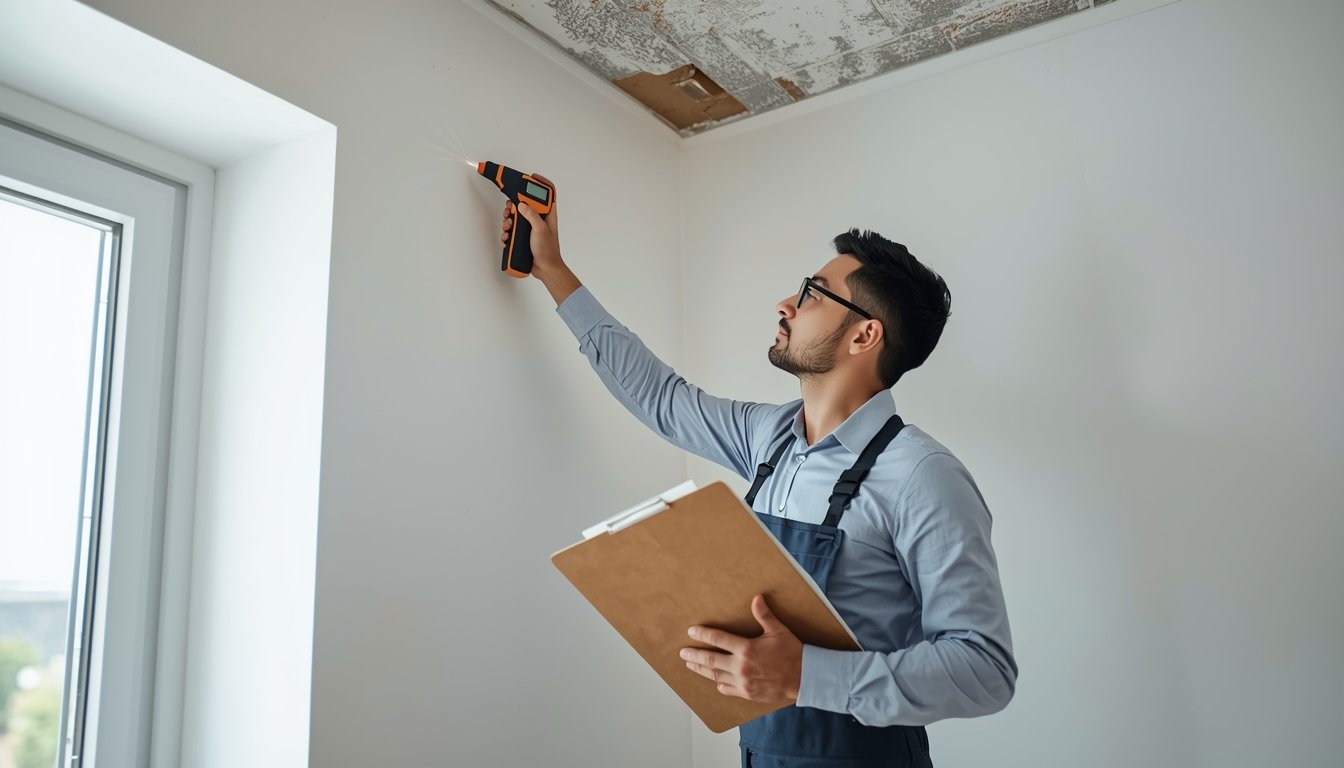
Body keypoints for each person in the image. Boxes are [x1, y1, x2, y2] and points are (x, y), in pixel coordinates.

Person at [502, 177, 1016, 768]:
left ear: (865, 335)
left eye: (813, 295)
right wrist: (553, 272)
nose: (785, 305)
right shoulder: (769, 439)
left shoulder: (924, 477)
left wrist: (806, 675)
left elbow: (984, 668)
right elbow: (662, 399)